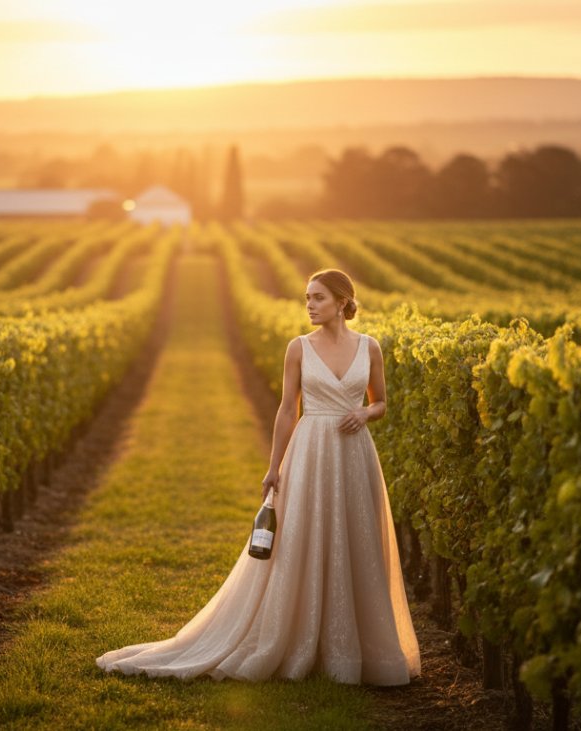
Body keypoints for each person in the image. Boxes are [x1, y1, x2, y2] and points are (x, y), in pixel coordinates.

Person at [95, 269, 420, 685]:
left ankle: (349, 653)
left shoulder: (369, 347)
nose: (309, 305)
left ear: (342, 302)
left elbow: (381, 404)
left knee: (356, 538)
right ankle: (298, 640)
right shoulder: (298, 349)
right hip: (310, 450)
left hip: (355, 456)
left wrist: (364, 412)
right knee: (301, 540)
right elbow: (288, 410)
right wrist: (273, 467)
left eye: (318, 298)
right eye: (306, 297)